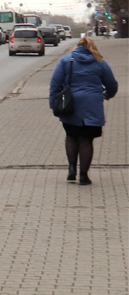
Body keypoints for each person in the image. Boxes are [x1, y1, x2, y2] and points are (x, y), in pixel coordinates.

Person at [50, 36, 117, 185]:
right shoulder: (100, 63)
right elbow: (112, 84)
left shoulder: (66, 61)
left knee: (71, 135)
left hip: (70, 105)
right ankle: (83, 176)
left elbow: (55, 84)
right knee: (86, 140)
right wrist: (107, 95)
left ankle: (72, 168)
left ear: (78, 47)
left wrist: (53, 105)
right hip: (92, 105)